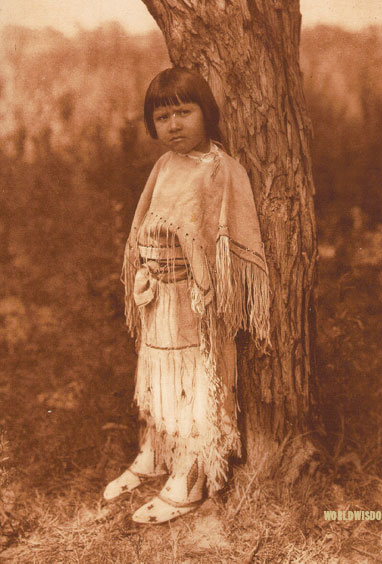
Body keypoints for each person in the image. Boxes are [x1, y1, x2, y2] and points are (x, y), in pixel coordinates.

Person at [103, 67, 271, 524]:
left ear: (206, 113)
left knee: (197, 386)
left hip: (197, 302)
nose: (174, 125)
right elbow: (145, 223)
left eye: (184, 111)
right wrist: (142, 270)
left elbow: (233, 238)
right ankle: (156, 451)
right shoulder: (164, 166)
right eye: (163, 116)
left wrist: (215, 288)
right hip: (159, 297)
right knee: (157, 374)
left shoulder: (220, 169)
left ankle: (191, 474)